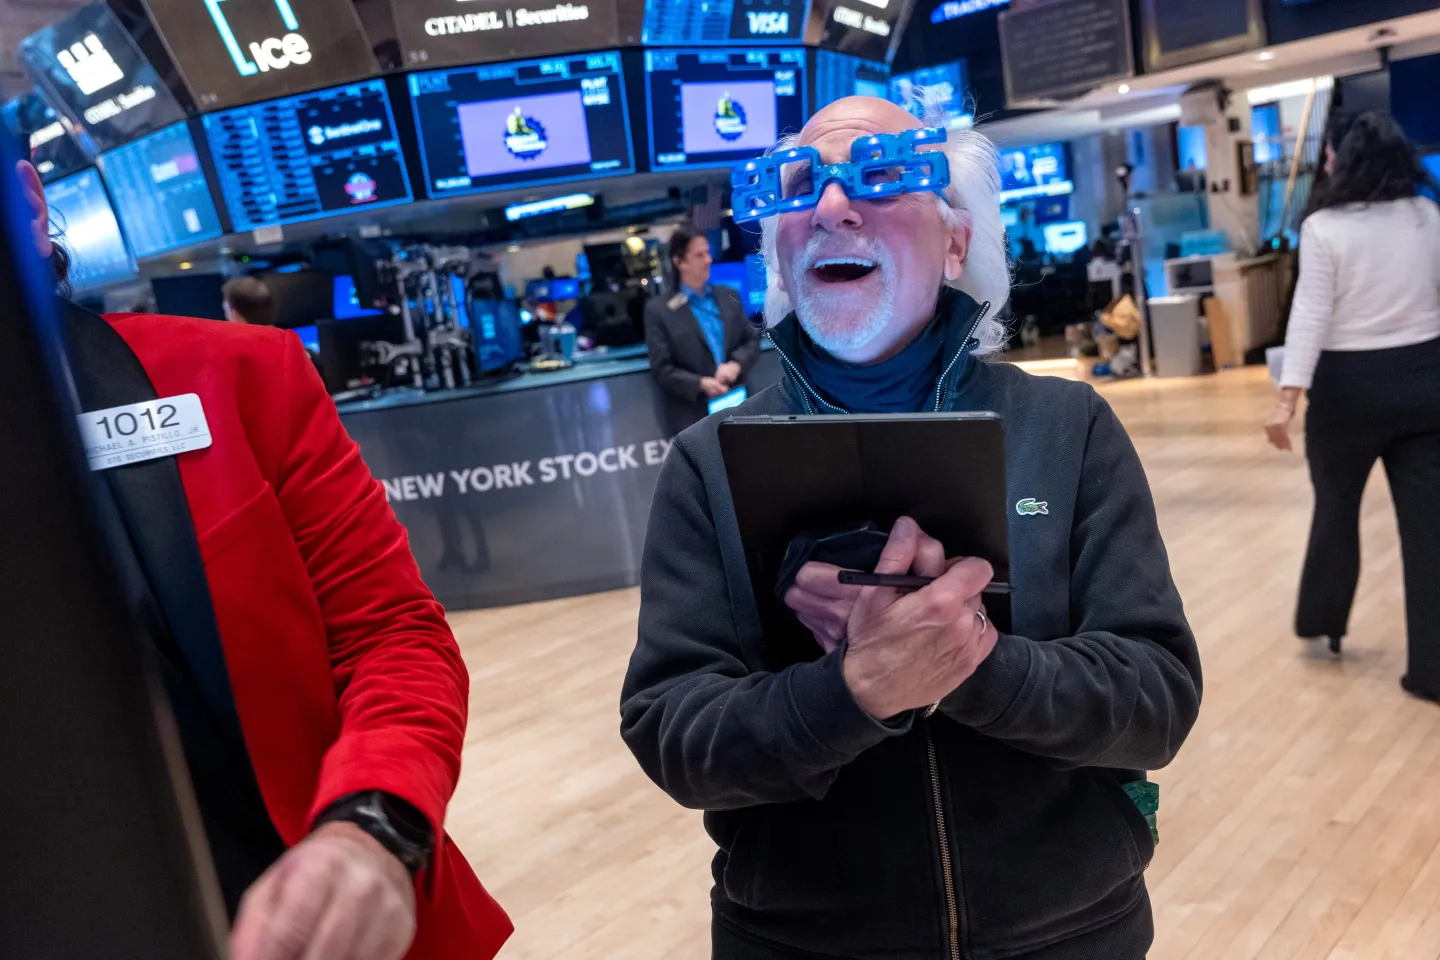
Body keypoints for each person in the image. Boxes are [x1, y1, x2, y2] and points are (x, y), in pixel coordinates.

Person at [621, 95, 1202, 959]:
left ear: (957, 241)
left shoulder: (1067, 429)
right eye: (800, 186)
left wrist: (973, 661)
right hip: (802, 941)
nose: (829, 206)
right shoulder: (709, 463)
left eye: (884, 176)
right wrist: (851, 693)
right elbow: (676, 736)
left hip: (1069, 931)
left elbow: (1156, 701)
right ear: (778, 247)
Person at [15, 157, 512, 960]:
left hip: (316, 921)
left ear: (30, 209)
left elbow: (391, 637)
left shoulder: (238, 377)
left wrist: (370, 827)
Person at [1265, 111, 1440, 703]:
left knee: (1336, 510)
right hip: (1426, 383)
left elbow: (1309, 314)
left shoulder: (1324, 226)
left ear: (1344, 159)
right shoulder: (1425, 214)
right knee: (1430, 530)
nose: (1329, 163)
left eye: (1333, 153)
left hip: (1349, 392)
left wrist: (1287, 402)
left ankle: (1324, 623)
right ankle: (1433, 672)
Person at [643, 225, 761, 435]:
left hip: (738, 404)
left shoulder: (728, 296)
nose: (708, 260)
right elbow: (663, 368)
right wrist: (701, 384)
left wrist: (736, 364)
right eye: (699, 255)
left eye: (708, 253)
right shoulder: (659, 310)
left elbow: (752, 339)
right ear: (679, 261)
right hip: (693, 416)